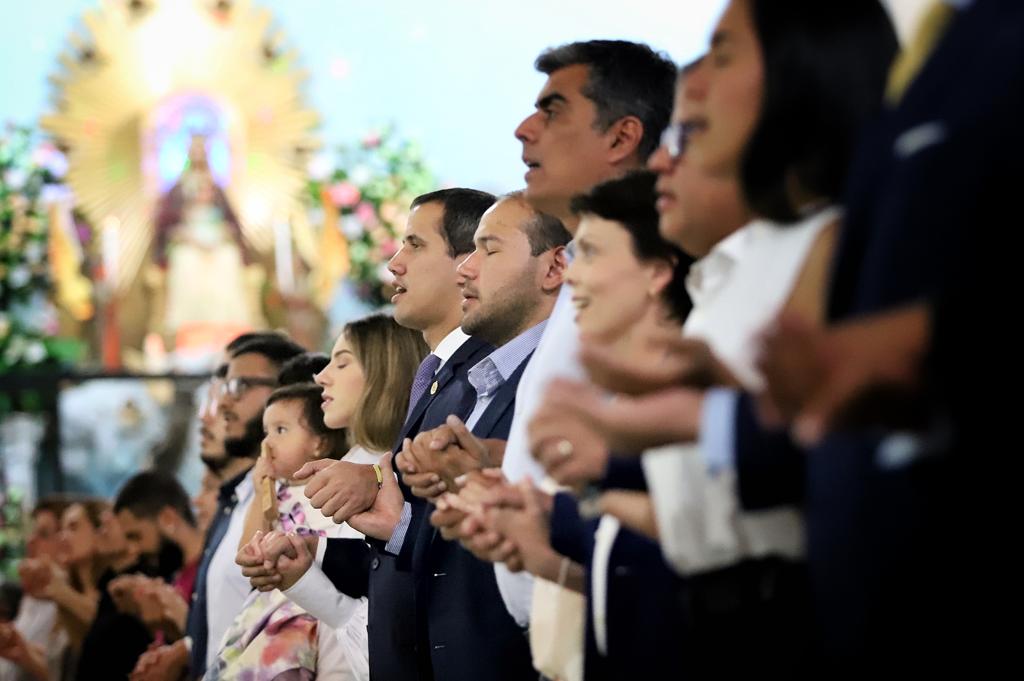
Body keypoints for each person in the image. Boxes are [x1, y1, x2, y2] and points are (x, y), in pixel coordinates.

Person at [238, 190, 496, 681]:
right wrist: (312, 559)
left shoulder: (477, 378)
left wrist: (375, 492)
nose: (394, 264)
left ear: (467, 264)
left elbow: (456, 548)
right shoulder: (439, 379)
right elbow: (406, 543)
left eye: (414, 246)